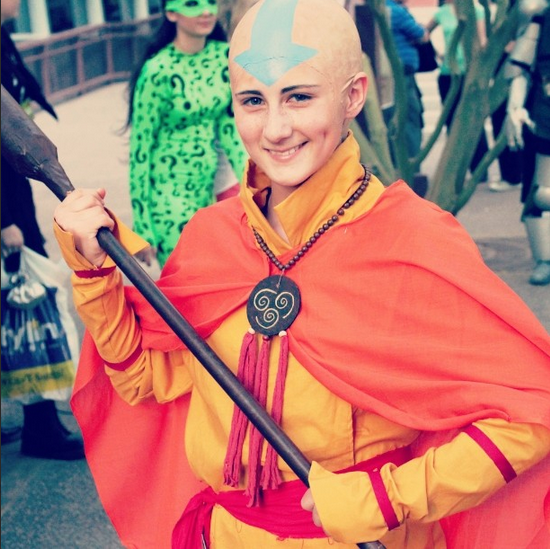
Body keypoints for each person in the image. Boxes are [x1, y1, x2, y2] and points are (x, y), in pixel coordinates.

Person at [53, 0, 550, 547]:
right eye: (252, 101)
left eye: (299, 96)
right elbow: (143, 380)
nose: (275, 128)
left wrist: (392, 496)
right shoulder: (209, 239)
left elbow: (531, 414)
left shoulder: (414, 239)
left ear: (353, 96)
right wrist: (95, 273)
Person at [0, 0, 84, 460]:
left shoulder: (3, 35)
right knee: (27, 310)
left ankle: (41, 420)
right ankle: (41, 427)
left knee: (18, 310)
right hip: (7, 207)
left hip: (15, 196)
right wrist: (6, 222)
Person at [125, 0, 247, 268]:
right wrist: (142, 226)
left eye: (211, 3)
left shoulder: (223, 57)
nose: (205, 11)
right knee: (185, 281)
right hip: (167, 198)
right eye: (192, 4)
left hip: (206, 193)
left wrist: (253, 189)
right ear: (171, 13)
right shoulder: (158, 70)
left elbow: (229, 132)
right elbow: (140, 151)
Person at [505, 0, 550, 285]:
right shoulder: (541, 19)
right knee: (540, 192)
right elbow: (521, 68)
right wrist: (515, 107)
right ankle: (544, 259)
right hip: (544, 119)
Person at [426, 0, 490, 182]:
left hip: (469, 75)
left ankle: (478, 168)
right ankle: (454, 172)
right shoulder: (442, 12)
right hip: (448, 73)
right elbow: (424, 33)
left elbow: (482, 39)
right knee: (451, 122)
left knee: (472, 122)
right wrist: (438, 54)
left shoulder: (476, 10)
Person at [383, 0, 428, 161]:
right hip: (402, 71)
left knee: (392, 113)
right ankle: (410, 157)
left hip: (386, 72)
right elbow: (421, 35)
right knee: (409, 115)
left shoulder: (381, 9)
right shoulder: (396, 11)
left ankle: (395, 159)